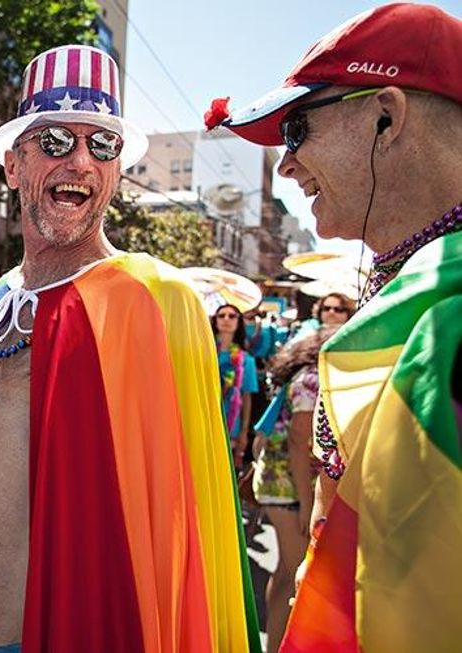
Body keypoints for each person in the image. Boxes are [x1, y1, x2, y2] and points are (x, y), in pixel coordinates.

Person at [0, 44, 259, 653]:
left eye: (103, 146)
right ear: (13, 163)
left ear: (116, 171)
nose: (81, 162)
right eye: (56, 140)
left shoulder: (156, 302)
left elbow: (185, 525)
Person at [211, 4, 462, 650]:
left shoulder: (449, 320)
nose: (287, 167)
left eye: (297, 129)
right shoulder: (410, 293)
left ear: (387, 115)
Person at [251, 326, 336, 653]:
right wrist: (306, 504)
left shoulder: (305, 375)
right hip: (288, 489)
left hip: (281, 485)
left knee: (286, 572)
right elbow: (300, 443)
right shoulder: (313, 380)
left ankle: (273, 646)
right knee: (300, 577)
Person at [211, 304, 259, 470]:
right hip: (204, 421)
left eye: (232, 316)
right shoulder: (203, 354)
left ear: (239, 322)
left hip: (231, 426)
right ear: (214, 320)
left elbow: (247, 398)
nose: (226, 319)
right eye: (221, 315)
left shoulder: (246, 360)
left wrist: (244, 432)